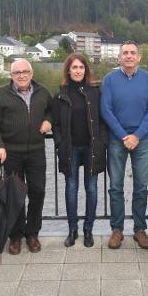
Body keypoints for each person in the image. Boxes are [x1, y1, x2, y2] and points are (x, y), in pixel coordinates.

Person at [0, 59, 52, 255]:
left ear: (32, 74)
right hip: (11, 152)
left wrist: (49, 121)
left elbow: (52, 110)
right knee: (14, 195)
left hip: (36, 151)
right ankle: (15, 235)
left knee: (37, 192)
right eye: (17, 73)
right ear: (11, 75)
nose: (21, 75)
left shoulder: (42, 92)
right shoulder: (0, 95)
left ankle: (32, 233)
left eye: (25, 72)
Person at [101, 41, 148, 249]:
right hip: (117, 139)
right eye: (125, 53)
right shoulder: (109, 79)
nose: (129, 56)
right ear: (119, 57)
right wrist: (124, 135)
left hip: (141, 139)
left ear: (139, 57)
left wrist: (137, 135)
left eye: (133, 53)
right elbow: (106, 110)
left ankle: (139, 229)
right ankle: (117, 230)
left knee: (141, 187)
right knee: (115, 186)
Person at [52, 53, 108, 248]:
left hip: (92, 148)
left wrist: (102, 142)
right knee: (71, 189)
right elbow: (56, 124)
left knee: (91, 189)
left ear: (86, 70)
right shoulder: (61, 95)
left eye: (81, 68)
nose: (77, 71)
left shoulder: (95, 93)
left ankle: (88, 230)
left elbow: (102, 121)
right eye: (74, 67)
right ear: (68, 70)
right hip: (70, 149)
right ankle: (72, 229)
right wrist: (59, 143)